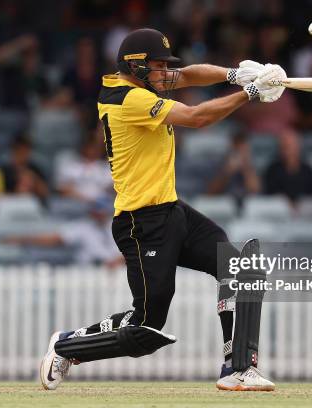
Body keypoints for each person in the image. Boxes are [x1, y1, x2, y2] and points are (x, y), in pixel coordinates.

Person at [40, 28, 287, 392]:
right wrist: (249, 93)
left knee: (238, 266)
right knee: (145, 326)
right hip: (140, 223)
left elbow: (186, 75)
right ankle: (66, 346)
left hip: (171, 209)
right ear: (136, 66)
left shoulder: (138, 84)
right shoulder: (129, 100)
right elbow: (197, 117)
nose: (165, 73)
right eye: (157, 66)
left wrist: (235, 75)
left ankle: (237, 369)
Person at [262, 129, 312, 203]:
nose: (288, 150)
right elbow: (270, 197)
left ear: (299, 147)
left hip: (306, 211)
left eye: (291, 146)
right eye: (285, 146)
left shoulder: (309, 171)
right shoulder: (272, 170)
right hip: (278, 212)